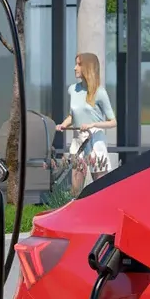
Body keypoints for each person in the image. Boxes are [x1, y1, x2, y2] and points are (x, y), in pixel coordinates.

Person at [56, 52, 116, 196]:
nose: (75, 68)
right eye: (76, 64)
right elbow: (73, 115)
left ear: (88, 67)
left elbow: (112, 121)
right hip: (78, 142)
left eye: (79, 64)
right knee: (75, 190)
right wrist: (64, 124)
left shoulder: (99, 92)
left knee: (100, 189)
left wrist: (92, 125)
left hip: (96, 142)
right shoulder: (73, 90)